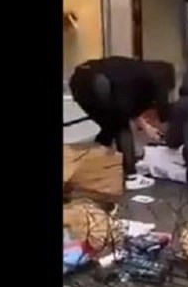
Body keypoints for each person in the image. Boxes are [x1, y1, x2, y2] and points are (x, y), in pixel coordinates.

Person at [69, 56, 171, 191]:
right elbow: (162, 110)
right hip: (100, 83)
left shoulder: (133, 69)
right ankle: (131, 177)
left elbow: (130, 108)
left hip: (79, 80)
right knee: (121, 126)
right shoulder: (156, 79)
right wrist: (170, 134)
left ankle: (95, 165)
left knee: (110, 126)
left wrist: (146, 127)